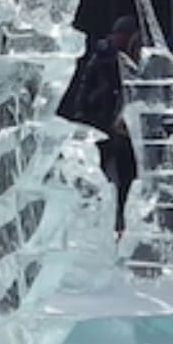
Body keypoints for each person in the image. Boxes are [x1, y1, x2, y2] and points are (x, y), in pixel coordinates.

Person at [59, 17, 137, 226]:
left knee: (124, 171)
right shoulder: (104, 55)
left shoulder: (130, 55)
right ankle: (98, 210)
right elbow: (86, 86)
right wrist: (83, 109)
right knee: (101, 167)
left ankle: (119, 211)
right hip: (101, 118)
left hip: (118, 121)